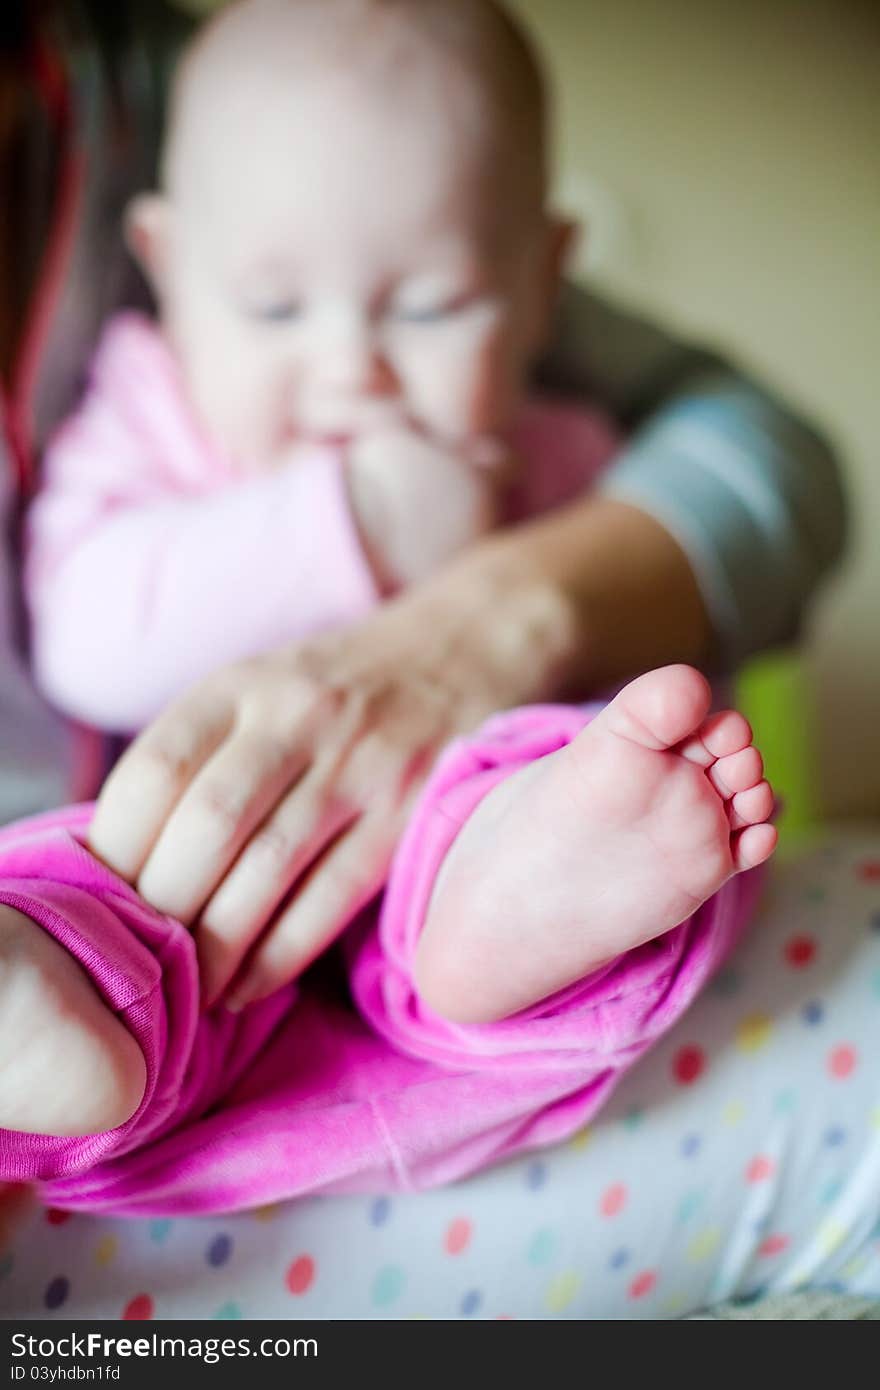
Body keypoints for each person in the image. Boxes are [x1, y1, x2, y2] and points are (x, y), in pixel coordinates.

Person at [0, 0, 847, 1232]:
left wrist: (521, 614)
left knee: (564, 763)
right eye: (279, 311)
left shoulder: (550, 447)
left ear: (542, 283)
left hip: (434, 858)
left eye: (433, 308)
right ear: (169, 264)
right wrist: (350, 522)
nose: (355, 367)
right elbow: (85, 631)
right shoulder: (150, 412)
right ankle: (44, 1011)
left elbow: (767, 471)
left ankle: (517, 901)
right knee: (87, 889)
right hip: (190, 890)